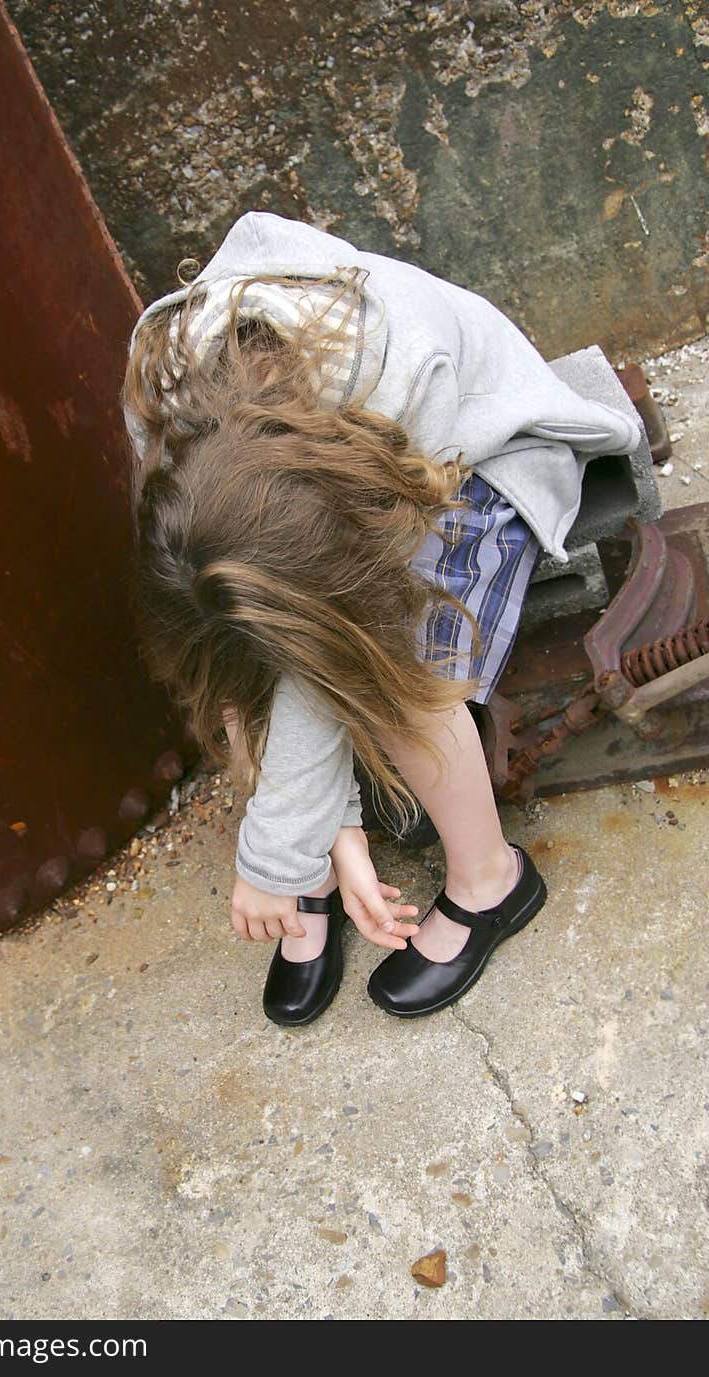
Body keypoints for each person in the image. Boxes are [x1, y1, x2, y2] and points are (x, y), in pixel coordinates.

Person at [122, 210, 642, 1027]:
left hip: (467, 457)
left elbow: (340, 640)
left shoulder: (395, 366)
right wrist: (330, 836)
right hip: (329, 510)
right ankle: (315, 886)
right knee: (228, 643)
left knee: (401, 678)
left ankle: (492, 884)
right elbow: (243, 603)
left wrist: (280, 844)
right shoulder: (164, 390)